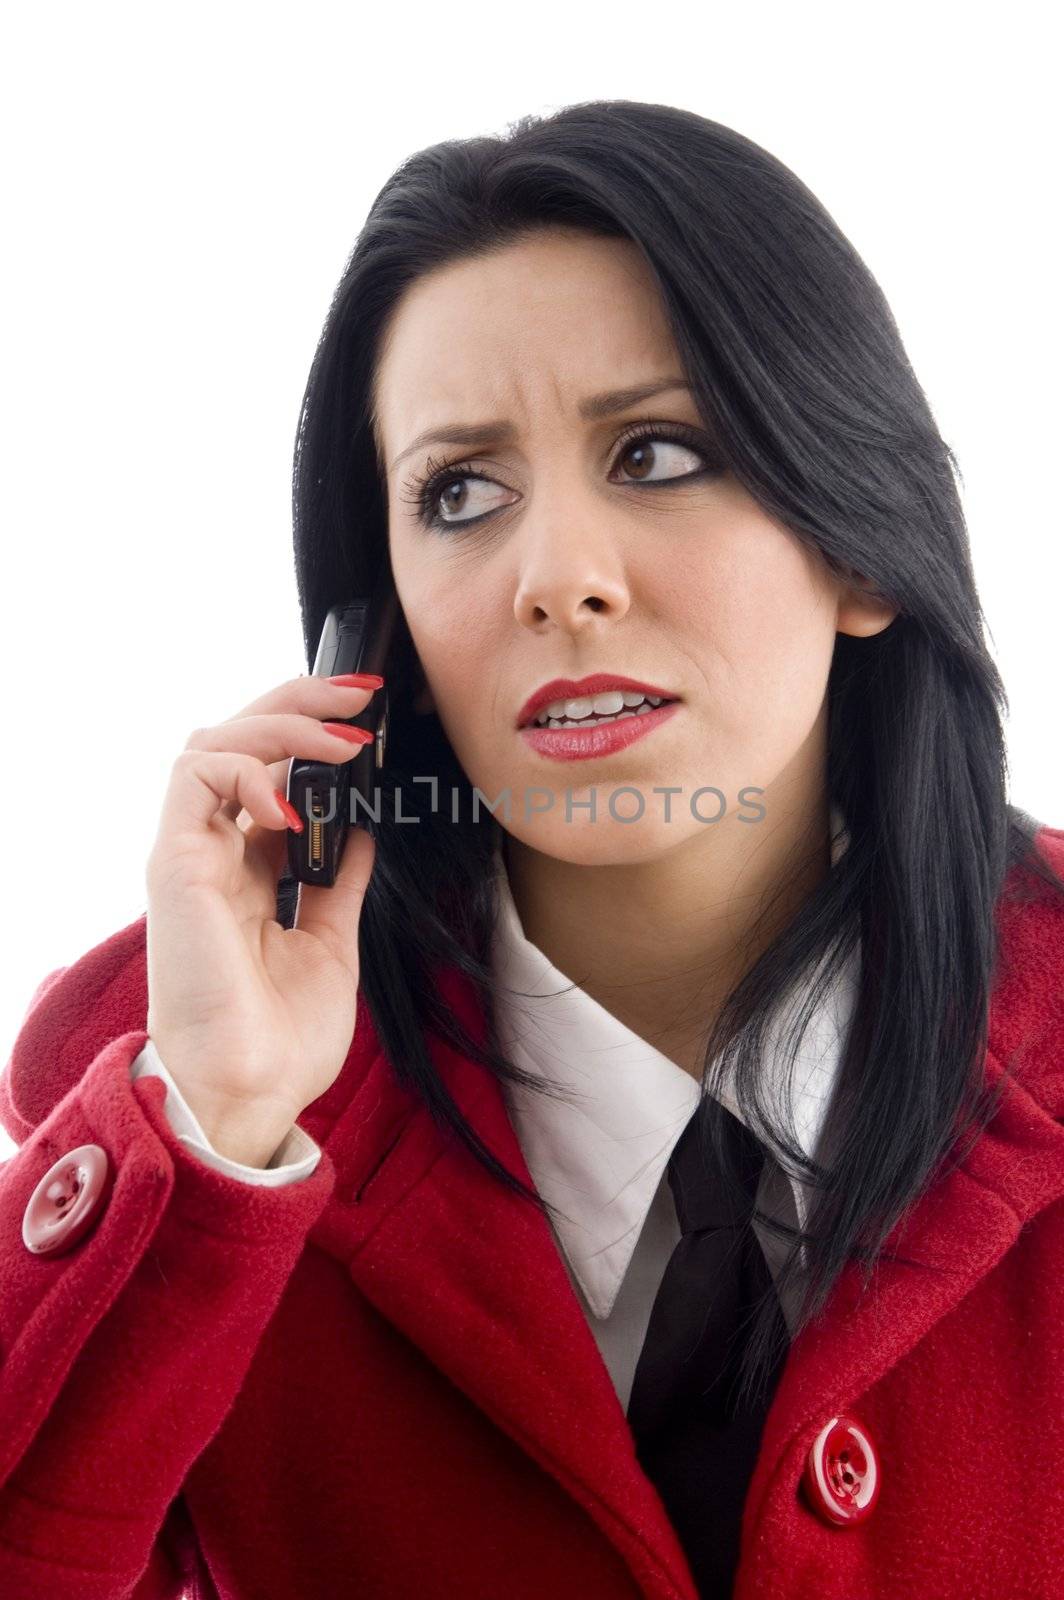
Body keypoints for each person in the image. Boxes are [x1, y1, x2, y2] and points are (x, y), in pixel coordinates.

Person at [3, 98, 1064, 1600]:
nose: (557, 579)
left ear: (862, 543)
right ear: (378, 635)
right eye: (460, 494)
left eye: (660, 452)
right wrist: (213, 1132)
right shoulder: (204, 1090)